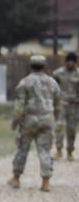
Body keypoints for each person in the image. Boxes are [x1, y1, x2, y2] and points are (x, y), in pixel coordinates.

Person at [8, 54, 61, 191]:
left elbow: (20, 105)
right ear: (44, 66)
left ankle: (16, 179)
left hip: (29, 120)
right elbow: (58, 103)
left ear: (31, 66)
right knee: (44, 150)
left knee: (22, 149)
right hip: (47, 119)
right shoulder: (52, 82)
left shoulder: (25, 82)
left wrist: (15, 121)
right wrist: (55, 117)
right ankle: (46, 182)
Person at [52, 52, 78, 161]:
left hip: (74, 106)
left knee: (72, 129)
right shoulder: (57, 73)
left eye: (73, 62)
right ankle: (58, 150)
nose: (70, 64)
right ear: (65, 62)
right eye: (68, 61)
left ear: (76, 63)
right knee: (59, 127)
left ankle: (70, 151)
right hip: (61, 104)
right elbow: (52, 88)